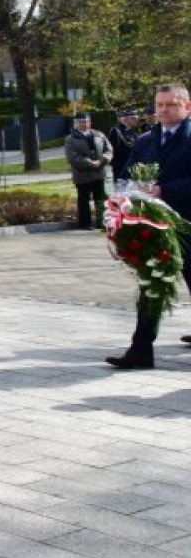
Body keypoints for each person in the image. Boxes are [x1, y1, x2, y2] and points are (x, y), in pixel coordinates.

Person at [107, 84, 191, 370]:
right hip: (152, 226)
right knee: (151, 285)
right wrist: (125, 196)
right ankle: (141, 350)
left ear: (187, 107)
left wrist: (163, 190)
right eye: (159, 105)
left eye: (171, 104)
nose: (164, 110)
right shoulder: (144, 140)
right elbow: (125, 174)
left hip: (187, 225)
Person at [66, 112, 111, 229]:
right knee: (84, 201)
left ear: (90, 122)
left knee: (100, 200)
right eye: (81, 122)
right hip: (82, 176)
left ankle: (101, 222)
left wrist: (103, 160)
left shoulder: (99, 135)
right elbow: (72, 158)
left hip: (99, 173)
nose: (84, 124)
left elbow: (109, 149)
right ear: (76, 124)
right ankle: (85, 224)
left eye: (86, 121)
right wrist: (90, 163)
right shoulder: (70, 139)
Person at [108, 108, 140, 188]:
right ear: (126, 119)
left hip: (133, 169)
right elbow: (112, 151)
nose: (136, 120)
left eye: (136, 118)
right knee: (122, 195)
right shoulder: (116, 131)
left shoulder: (133, 131)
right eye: (134, 118)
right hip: (121, 168)